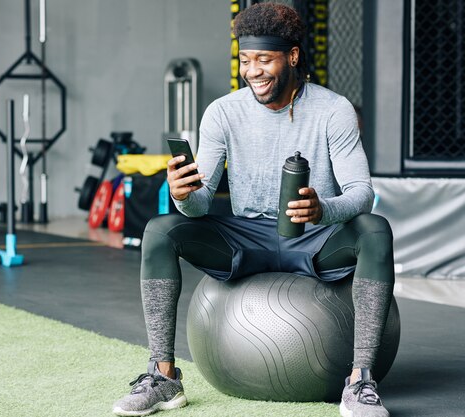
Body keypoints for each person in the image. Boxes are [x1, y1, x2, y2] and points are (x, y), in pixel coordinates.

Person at [113, 3, 394, 417]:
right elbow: (200, 203)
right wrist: (183, 193)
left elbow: (361, 192)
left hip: (315, 238)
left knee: (374, 229)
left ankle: (360, 381)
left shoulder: (334, 111)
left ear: (293, 56)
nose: (253, 70)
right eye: (246, 60)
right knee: (160, 229)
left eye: (264, 59)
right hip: (247, 235)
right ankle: (163, 375)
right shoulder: (223, 113)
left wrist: (322, 209)